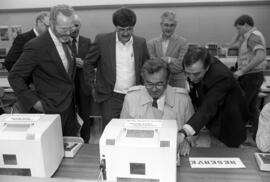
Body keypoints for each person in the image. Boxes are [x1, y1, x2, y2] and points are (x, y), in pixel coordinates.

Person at [8, 4, 79, 136]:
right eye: (63, 29)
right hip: (48, 111)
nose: (68, 33)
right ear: (51, 24)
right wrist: (35, 103)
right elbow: (14, 77)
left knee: (71, 150)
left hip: (69, 110)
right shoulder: (36, 46)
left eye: (70, 28)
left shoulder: (68, 40)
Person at [83, 7, 149, 129]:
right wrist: (92, 86)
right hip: (110, 96)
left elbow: (147, 68)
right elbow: (88, 63)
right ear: (115, 27)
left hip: (134, 95)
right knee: (110, 132)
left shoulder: (140, 43)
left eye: (129, 29)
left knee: (133, 130)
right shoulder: (102, 40)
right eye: (121, 29)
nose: (125, 33)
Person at [120, 58, 194, 155]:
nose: (154, 89)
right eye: (149, 84)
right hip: (140, 152)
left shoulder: (182, 99)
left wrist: (187, 141)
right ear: (143, 81)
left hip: (173, 154)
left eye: (159, 84)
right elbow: (122, 130)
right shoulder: (131, 98)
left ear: (167, 80)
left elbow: (193, 130)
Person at [178, 47, 248, 148]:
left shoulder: (222, 76)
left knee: (227, 153)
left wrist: (184, 131)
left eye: (196, 74)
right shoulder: (197, 66)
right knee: (215, 144)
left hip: (230, 119)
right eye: (187, 73)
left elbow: (209, 106)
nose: (191, 78)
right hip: (214, 117)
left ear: (207, 67)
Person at [228, 14, 267, 140]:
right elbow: (231, 45)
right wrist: (239, 32)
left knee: (242, 107)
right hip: (252, 76)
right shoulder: (247, 37)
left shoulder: (253, 36)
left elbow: (260, 56)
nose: (238, 31)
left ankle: (239, 137)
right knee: (251, 108)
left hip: (251, 75)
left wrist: (242, 71)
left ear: (246, 25)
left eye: (239, 28)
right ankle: (258, 137)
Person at [70, 14, 95, 143]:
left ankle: (86, 141)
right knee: (69, 115)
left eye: (76, 25)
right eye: (71, 26)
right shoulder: (63, 41)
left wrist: (84, 63)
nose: (74, 29)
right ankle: (72, 140)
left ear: (80, 26)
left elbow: (93, 62)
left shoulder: (87, 41)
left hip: (84, 86)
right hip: (68, 85)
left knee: (85, 115)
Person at [147, 11, 188, 88]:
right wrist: (172, 60)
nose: (169, 28)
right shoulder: (151, 43)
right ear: (161, 25)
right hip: (158, 83)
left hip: (178, 82)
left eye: (172, 25)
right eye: (166, 25)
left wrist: (167, 59)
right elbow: (152, 65)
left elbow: (181, 66)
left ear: (175, 26)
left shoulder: (183, 42)